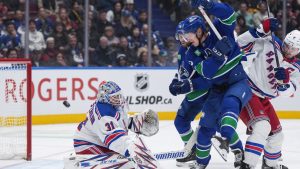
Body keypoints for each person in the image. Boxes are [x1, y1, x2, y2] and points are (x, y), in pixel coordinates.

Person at [170, 1, 252, 168]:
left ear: (199, 31)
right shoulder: (190, 52)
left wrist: (210, 6)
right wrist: (217, 56)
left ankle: (236, 148)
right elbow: (207, 72)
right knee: (205, 130)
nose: (183, 40)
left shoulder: (218, 30)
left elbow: (229, 14)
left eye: (186, 35)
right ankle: (201, 163)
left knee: (226, 115)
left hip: (236, 81)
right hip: (217, 88)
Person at [236, 18, 300, 169]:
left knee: (277, 135)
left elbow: (290, 92)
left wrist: (284, 83)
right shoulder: (270, 43)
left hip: (264, 99)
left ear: (299, 51)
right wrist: (260, 30)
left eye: (293, 48)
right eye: (287, 45)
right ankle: (247, 165)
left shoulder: (296, 68)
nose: (288, 50)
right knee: (262, 127)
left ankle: (270, 165)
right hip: (249, 91)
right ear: (283, 41)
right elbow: (240, 43)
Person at [73, 81, 159, 168]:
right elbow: (115, 139)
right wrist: (132, 150)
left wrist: (133, 123)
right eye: (115, 97)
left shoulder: (112, 106)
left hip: (100, 142)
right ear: (104, 97)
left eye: (119, 95)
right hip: (88, 146)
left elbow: (118, 121)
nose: (119, 98)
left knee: (129, 161)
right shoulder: (103, 112)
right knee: (128, 165)